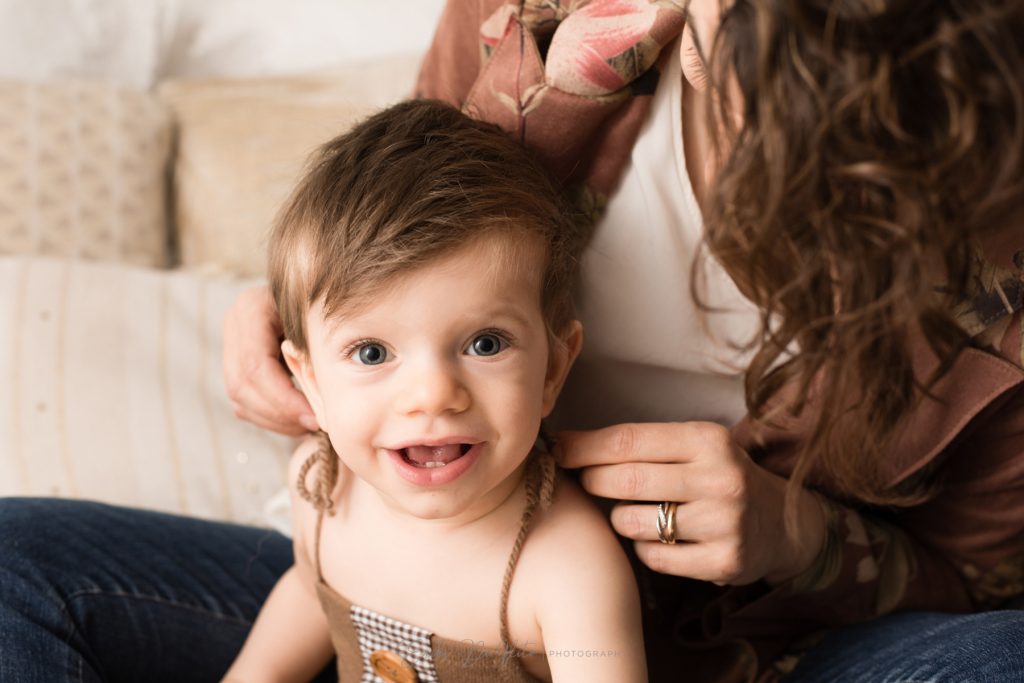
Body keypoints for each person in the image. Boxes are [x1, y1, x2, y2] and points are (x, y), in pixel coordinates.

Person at [2, 1, 1022, 681]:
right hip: (418, 586)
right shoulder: (550, 21)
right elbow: (395, 214)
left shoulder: (996, 216)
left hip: (787, 649)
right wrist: (302, 308)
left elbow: (983, 583)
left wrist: (801, 538)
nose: (433, 392)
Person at [221, 99, 646, 683]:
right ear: (309, 381)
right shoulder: (319, 493)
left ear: (552, 371)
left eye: (486, 344)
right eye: (372, 353)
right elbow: (311, 591)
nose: (433, 395)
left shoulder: (565, 570)